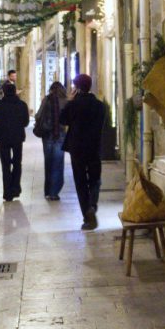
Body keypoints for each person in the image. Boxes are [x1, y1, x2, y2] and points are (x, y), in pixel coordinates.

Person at [60, 73, 105, 231]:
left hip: (77, 148)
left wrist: (69, 102)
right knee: (95, 179)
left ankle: (88, 217)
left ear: (77, 88)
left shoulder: (73, 105)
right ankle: (92, 204)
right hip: (94, 147)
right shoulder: (99, 106)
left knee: (80, 182)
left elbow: (62, 120)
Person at [0, 81, 30, 201]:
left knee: (5, 165)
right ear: (15, 92)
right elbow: (26, 122)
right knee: (17, 163)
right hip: (18, 138)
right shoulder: (22, 105)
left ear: (4, 92)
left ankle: (7, 192)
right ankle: (15, 188)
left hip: (3, 138)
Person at [34, 80, 68, 201]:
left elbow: (38, 115)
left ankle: (48, 190)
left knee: (48, 163)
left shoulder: (46, 99)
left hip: (47, 135)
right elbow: (68, 119)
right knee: (58, 163)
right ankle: (54, 192)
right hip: (60, 135)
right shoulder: (65, 101)